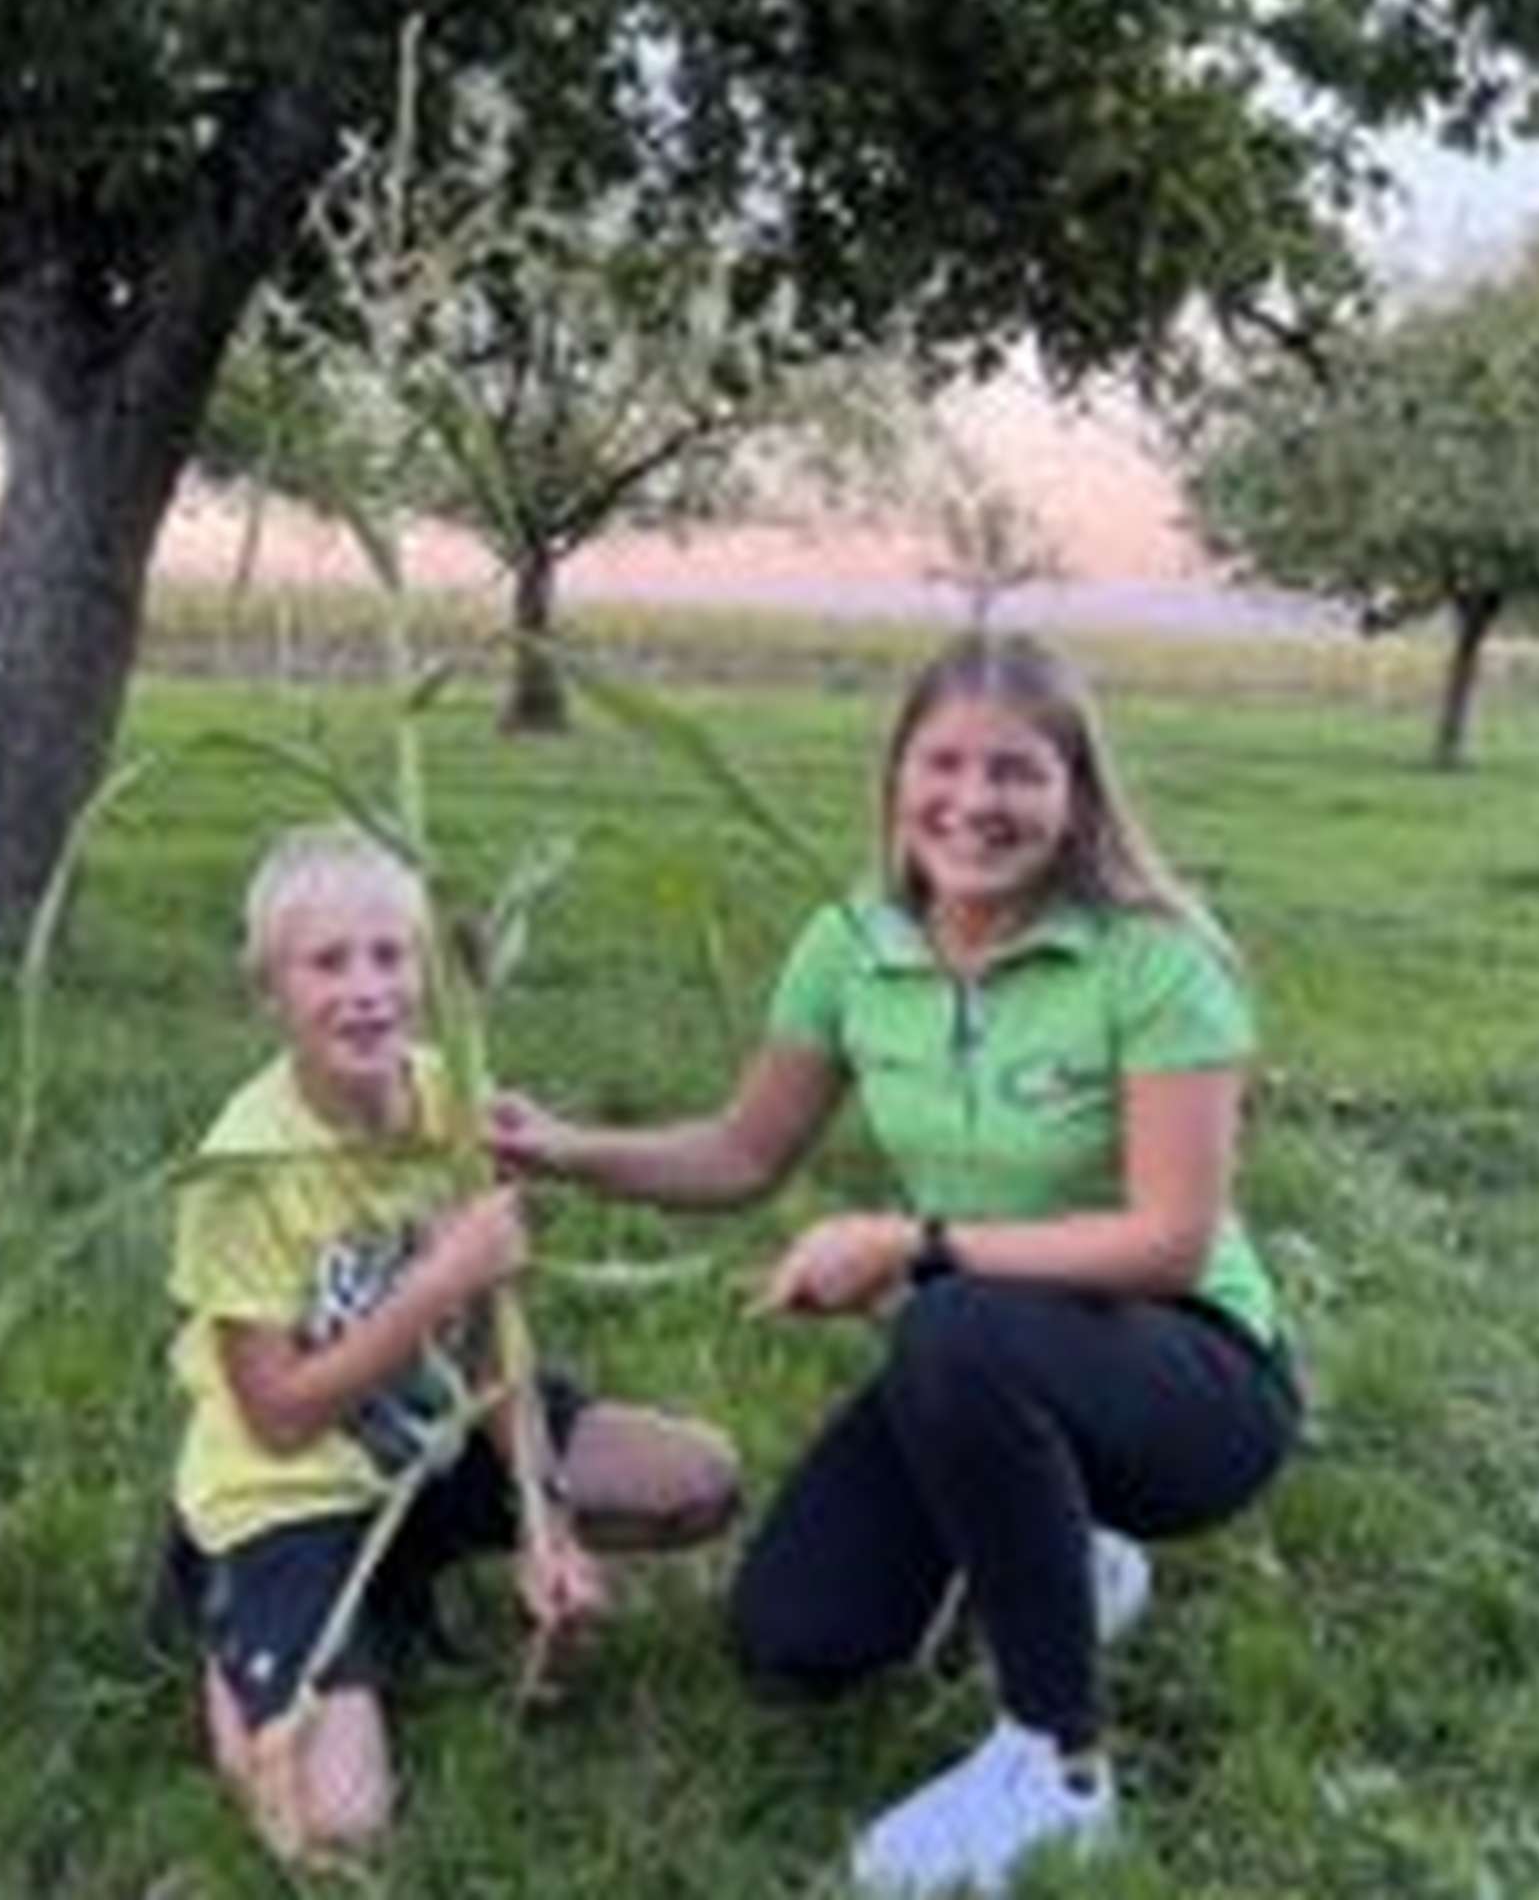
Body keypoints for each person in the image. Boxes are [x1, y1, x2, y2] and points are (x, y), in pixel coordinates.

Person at [491, 634, 1300, 1898]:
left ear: (1077, 794)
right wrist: (558, 1150)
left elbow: (1171, 1240)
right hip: (982, 1359)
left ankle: (1057, 1768)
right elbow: (743, 1149)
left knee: (952, 1320)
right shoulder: (852, 946)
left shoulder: (1155, 962)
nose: (974, 802)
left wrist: (915, 1244)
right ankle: (1068, 1553)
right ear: (897, 773)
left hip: (1191, 1380)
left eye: (1018, 772)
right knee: (793, 1640)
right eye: (945, 763)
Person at [163, 824, 742, 1861]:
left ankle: (398, 1585)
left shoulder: (449, 1100)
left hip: (431, 1439)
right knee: (335, 1827)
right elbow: (280, 1414)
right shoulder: (242, 1169)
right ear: (270, 992)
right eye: (327, 963)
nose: (366, 989)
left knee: (698, 1480)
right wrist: (436, 1278)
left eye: (390, 956)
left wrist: (543, 1517)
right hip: (290, 1491)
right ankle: (229, 1614)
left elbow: (488, 1351)